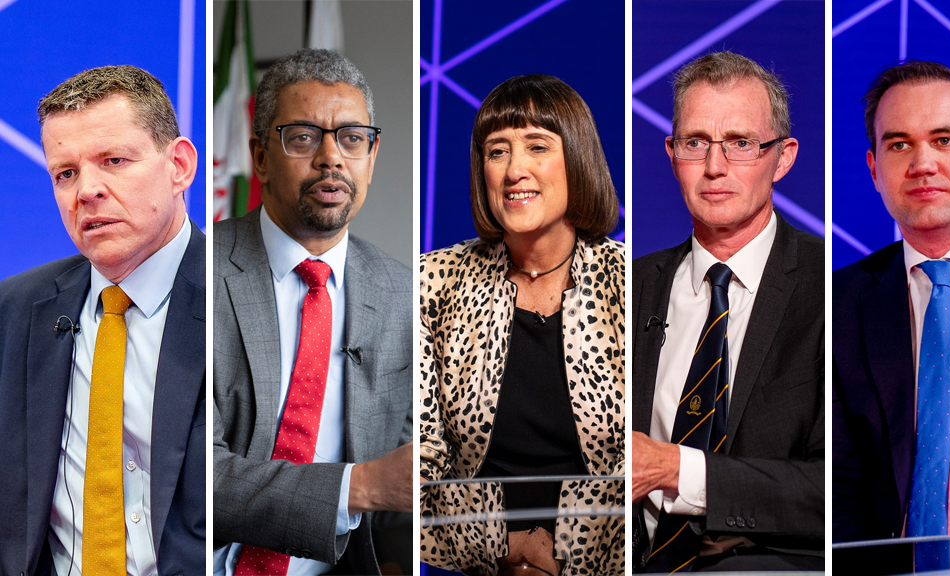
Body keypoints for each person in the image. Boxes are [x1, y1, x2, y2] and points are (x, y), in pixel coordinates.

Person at [212, 48, 414, 576]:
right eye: (303, 136)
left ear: (371, 156)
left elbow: (410, 487)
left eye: (351, 138)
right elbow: (188, 473)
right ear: (259, 156)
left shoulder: (405, 295)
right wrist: (362, 487)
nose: (331, 158)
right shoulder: (195, 273)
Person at [0, 65, 205, 576]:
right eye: (65, 173)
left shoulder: (249, 302)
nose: (86, 190)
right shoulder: (13, 311)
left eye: (113, 160)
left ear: (179, 165)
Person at [419, 74, 625, 576]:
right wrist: (503, 545)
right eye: (497, 151)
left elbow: (649, 466)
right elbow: (418, 467)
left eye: (537, 146)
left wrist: (566, 557)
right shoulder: (433, 284)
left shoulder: (633, 285)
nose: (515, 170)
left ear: (576, 159)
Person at [631, 51, 825, 572]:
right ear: (672, 153)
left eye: (740, 144)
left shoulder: (830, 284)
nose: (715, 167)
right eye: (696, 143)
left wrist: (677, 470)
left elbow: (842, 486)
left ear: (783, 157)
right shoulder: (625, 289)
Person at [833, 60, 950, 574]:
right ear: (874, 170)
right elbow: (839, 482)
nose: (921, 163)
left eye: (944, 140)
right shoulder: (839, 301)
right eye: (899, 145)